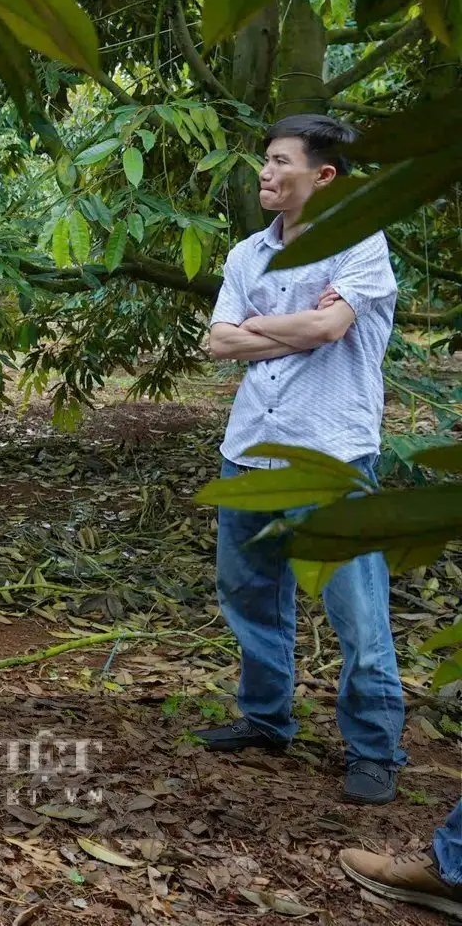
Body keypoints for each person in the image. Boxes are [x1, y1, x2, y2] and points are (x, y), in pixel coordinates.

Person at [201, 113, 404, 805]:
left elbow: (329, 326)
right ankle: (265, 718)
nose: (266, 170)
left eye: (281, 161)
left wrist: (255, 327)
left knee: (357, 607)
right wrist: (286, 330)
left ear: (324, 176)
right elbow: (217, 343)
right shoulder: (246, 255)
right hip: (249, 449)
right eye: (265, 159)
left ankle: (376, 745)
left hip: (330, 454)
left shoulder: (361, 245)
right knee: (250, 592)